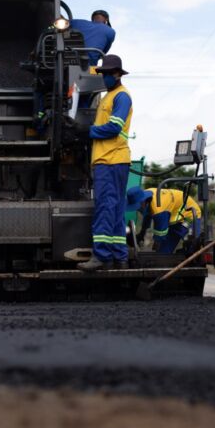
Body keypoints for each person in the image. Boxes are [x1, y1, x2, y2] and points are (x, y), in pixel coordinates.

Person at [75, 55, 133, 271]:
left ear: (117, 74)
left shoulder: (121, 97)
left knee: (105, 207)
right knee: (116, 209)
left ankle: (101, 256)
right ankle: (120, 258)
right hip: (112, 160)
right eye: (102, 74)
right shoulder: (109, 97)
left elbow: (114, 127)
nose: (104, 78)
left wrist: (86, 130)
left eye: (107, 74)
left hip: (110, 159)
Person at [126, 186, 202, 254]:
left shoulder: (159, 210)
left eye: (137, 207)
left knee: (192, 248)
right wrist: (141, 234)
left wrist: (156, 243)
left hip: (190, 215)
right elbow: (147, 217)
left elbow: (161, 233)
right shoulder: (146, 197)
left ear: (143, 201)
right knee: (163, 253)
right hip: (175, 218)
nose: (137, 209)